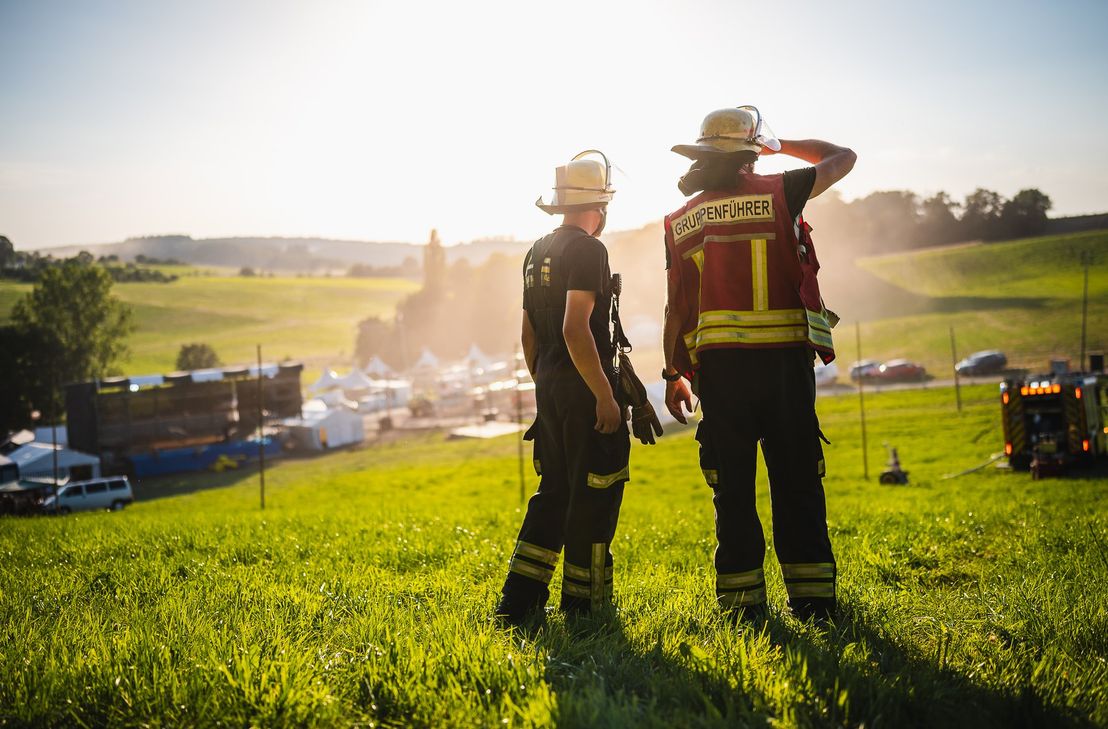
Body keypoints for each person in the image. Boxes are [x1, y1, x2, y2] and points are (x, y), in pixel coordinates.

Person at [661, 106, 856, 623]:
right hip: (784, 371)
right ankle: (814, 604)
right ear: (752, 153)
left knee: (732, 493)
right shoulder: (781, 191)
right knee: (797, 485)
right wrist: (783, 143)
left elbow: (675, 306)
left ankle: (743, 610)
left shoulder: (681, 219)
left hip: (720, 379)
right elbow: (844, 157)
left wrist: (673, 373)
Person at [495, 150, 631, 627]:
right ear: (600, 206)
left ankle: (519, 602)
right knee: (596, 491)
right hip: (584, 390)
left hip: (548, 387)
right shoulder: (589, 250)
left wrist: (545, 383)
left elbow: (529, 333)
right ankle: (585, 606)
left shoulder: (536, 251)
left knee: (552, 492)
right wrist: (604, 397)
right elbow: (578, 328)